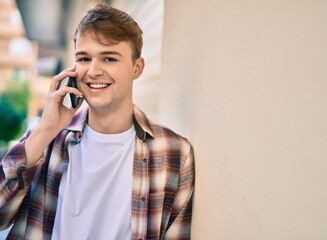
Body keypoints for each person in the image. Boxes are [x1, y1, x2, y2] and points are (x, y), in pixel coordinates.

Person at [0, 4, 195, 240]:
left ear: (137, 67)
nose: (93, 71)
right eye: (84, 58)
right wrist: (47, 129)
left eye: (109, 58)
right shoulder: (45, 139)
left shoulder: (175, 153)